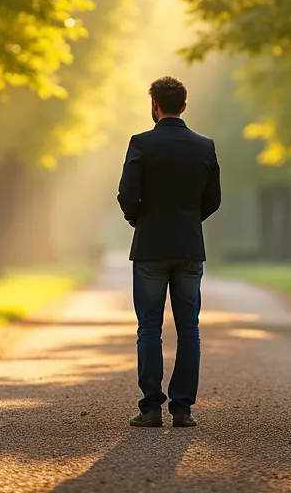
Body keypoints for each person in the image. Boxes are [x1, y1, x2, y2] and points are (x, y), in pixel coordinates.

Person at [116, 76, 221, 428]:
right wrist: (190, 219)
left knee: (149, 327)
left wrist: (140, 220)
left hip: (150, 247)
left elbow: (127, 196)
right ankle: (182, 409)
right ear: (184, 107)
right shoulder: (204, 146)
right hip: (190, 246)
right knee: (189, 327)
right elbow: (213, 199)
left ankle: (150, 408)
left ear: (154, 106)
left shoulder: (141, 144)